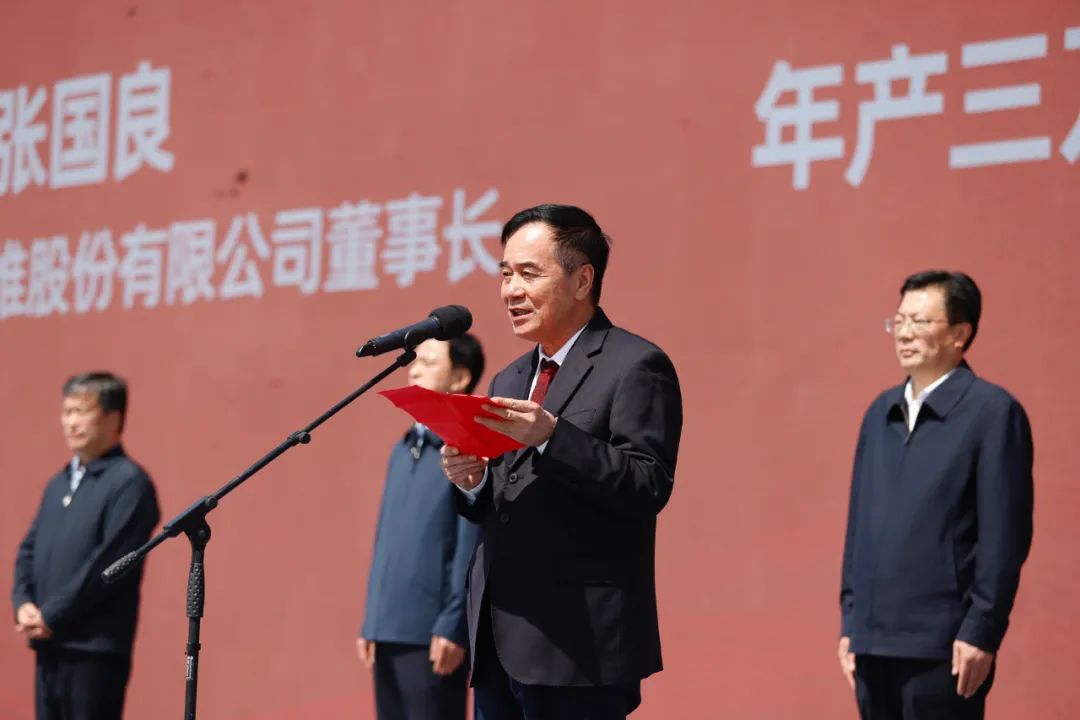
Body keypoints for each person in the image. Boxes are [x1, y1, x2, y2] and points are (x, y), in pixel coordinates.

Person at [440, 204, 683, 720]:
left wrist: (553, 436)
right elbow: (504, 500)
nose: (510, 291)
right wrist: (473, 481)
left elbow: (647, 485)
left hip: (580, 644)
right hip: (500, 639)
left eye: (528, 273)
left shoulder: (635, 365)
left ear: (582, 280)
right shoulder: (510, 378)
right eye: (505, 274)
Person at [838, 271, 1034, 719]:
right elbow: (859, 528)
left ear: (960, 334)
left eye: (921, 321)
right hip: (871, 645)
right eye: (899, 320)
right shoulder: (879, 413)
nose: (904, 333)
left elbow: (1005, 535)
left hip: (944, 648)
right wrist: (851, 622)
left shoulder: (992, 413)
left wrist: (982, 629)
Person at [12, 372, 161, 720]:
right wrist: (23, 602)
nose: (71, 422)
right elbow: (28, 550)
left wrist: (52, 614)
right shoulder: (58, 483)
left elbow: (109, 564)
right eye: (67, 412)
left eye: (81, 411)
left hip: (94, 650)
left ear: (113, 418)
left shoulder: (129, 483)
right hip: (50, 645)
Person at [358, 334, 485, 720]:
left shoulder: (464, 447)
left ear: (460, 377)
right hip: (388, 630)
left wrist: (453, 624)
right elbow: (386, 541)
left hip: (432, 634)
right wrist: (372, 621)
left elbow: (470, 543)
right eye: (414, 361)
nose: (414, 370)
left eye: (428, 362)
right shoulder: (402, 449)